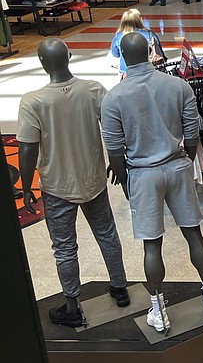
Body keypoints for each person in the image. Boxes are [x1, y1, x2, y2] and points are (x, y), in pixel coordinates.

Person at [102, 32, 203, 334]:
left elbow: (115, 150)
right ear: (150, 51)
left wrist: (127, 182)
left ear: (122, 58)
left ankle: (158, 310)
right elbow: (192, 131)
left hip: (143, 172)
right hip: (177, 165)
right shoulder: (177, 85)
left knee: (152, 246)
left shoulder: (114, 97)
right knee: (194, 235)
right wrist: (187, 158)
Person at [18, 38, 129, 327]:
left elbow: (27, 147)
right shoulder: (93, 90)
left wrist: (28, 186)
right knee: (107, 233)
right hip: (94, 179)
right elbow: (114, 127)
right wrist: (117, 160)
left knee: (64, 247)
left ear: (42, 64)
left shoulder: (33, 102)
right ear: (70, 56)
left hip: (57, 187)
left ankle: (72, 305)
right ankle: (120, 288)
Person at [109, 8, 161, 75]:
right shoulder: (149, 34)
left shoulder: (118, 36)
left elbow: (115, 53)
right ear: (139, 20)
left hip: (125, 71)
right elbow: (158, 50)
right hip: (147, 71)